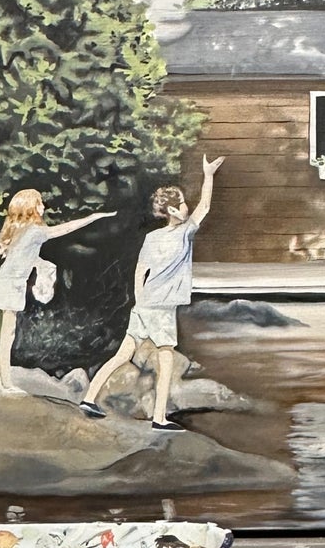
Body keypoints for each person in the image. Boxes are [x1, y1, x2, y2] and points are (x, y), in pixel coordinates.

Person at [78, 156, 224, 430]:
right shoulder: (184, 233)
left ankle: (88, 398)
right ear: (173, 210)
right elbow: (205, 206)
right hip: (163, 307)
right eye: (181, 203)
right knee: (166, 356)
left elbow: (139, 271)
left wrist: (138, 300)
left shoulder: (152, 238)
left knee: (122, 355)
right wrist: (209, 175)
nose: (186, 206)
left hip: (144, 304)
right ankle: (159, 417)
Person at [0, 188, 115, 395]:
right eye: (39, 203)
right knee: (8, 335)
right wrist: (92, 217)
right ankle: (5, 384)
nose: (43, 206)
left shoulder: (21, 230)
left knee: (8, 334)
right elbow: (63, 229)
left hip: (6, 284)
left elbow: (21, 257)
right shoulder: (35, 231)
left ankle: (4, 382)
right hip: (9, 286)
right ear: (31, 207)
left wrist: (41, 265)